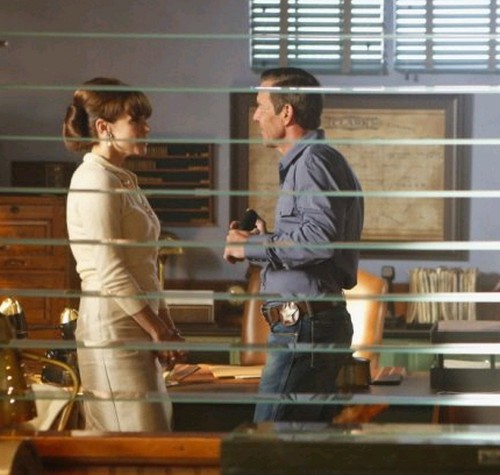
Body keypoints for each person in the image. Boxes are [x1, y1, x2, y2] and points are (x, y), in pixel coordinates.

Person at [223, 67, 364, 423]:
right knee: (296, 441)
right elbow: (312, 239)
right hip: (306, 325)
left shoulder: (313, 163)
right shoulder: (313, 162)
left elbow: (318, 242)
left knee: (269, 441)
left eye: (261, 106)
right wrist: (260, 240)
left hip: (304, 327)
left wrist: (249, 248)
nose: (255, 115)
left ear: (286, 113)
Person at [63, 77, 185, 432]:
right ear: (104, 128)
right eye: (136, 120)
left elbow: (145, 264)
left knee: (155, 436)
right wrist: (157, 329)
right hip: (113, 329)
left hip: (138, 324)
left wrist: (165, 325)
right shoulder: (94, 179)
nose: (146, 128)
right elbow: (111, 269)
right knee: (136, 440)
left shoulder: (121, 178)